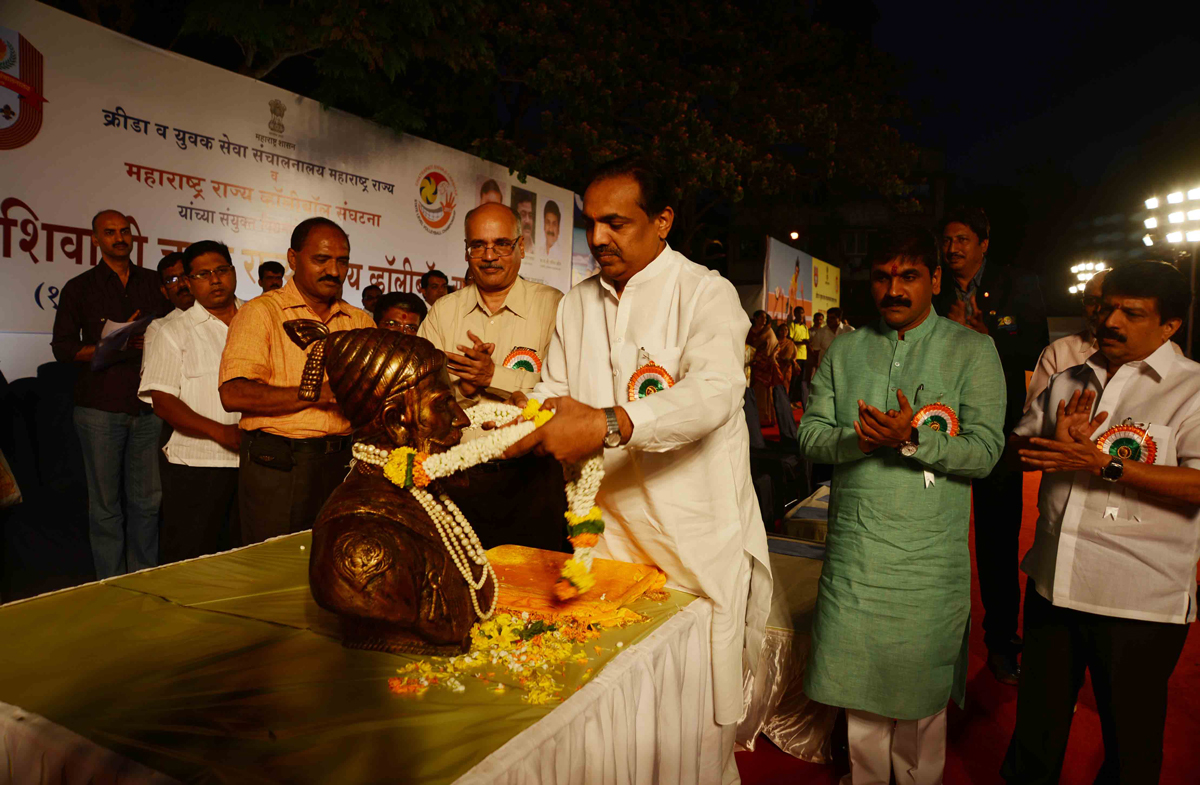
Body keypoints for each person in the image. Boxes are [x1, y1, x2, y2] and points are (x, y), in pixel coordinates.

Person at [503, 157, 771, 783]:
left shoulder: (706, 293)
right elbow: (556, 394)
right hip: (608, 542)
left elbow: (713, 394)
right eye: (592, 224)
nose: (598, 239)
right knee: (618, 720)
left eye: (616, 223)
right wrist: (518, 428)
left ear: (663, 221)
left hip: (696, 547)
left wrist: (607, 422)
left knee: (696, 737)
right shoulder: (576, 304)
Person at [797, 227, 1005, 784]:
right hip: (857, 552)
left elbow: (985, 452)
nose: (894, 289)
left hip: (927, 558)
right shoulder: (845, 348)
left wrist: (910, 441)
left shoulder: (972, 350)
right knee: (857, 684)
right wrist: (859, 441)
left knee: (919, 687)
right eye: (884, 277)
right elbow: (810, 436)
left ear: (935, 280)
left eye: (909, 276)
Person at [1002, 261, 1199, 785]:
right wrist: (1053, 444)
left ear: (1170, 325)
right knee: (1035, 735)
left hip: (1136, 601)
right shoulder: (1069, 377)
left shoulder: (1192, 390)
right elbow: (1019, 452)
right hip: (1051, 585)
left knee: (1130, 747)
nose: (1110, 320)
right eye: (1107, 306)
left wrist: (1108, 465)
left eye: (1131, 313)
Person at [934, 205, 1048, 685]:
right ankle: (936, 642)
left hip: (998, 436)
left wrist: (984, 338)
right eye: (948, 239)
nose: (953, 248)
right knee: (937, 541)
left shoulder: (1019, 285)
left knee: (998, 547)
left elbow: (1037, 348)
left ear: (983, 244)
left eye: (963, 239)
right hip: (938, 434)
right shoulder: (934, 288)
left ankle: (1002, 643)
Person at [218, 218, 375, 544]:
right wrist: (319, 395)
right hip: (278, 465)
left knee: (331, 566)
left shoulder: (359, 321)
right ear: (293, 258)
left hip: (342, 464)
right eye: (321, 259)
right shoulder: (261, 313)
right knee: (273, 573)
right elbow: (233, 394)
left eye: (342, 261)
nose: (334, 270)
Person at [51, 209, 171, 578]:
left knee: (147, 503)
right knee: (105, 506)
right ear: (96, 240)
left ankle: (144, 579)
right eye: (110, 232)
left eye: (124, 231)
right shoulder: (79, 287)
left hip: (150, 406)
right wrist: (109, 345)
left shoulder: (155, 283)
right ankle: (111, 586)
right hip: (99, 409)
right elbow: (64, 349)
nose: (119, 238)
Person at [139, 241, 243, 563]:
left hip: (257, 467)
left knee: (246, 562)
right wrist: (222, 433)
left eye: (221, 270)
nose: (215, 280)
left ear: (233, 272)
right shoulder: (171, 331)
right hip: (196, 466)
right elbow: (164, 402)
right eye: (202, 274)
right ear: (188, 281)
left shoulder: (259, 319)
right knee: (192, 564)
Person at [418, 202, 562, 407]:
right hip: (459, 439)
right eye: (478, 246)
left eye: (501, 244)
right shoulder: (443, 312)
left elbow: (565, 391)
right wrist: (463, 389)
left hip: (528, 437)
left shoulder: (553, 306)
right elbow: (420, 395)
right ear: (467, 251)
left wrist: (493, 376)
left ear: (521, 247)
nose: (489, 256)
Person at [143, 252, 194, 353]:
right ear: (164, 291)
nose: (182, 284)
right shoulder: (157, 329)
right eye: (172, 280)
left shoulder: (218, 316)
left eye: (185, 276)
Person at [747, 311, 779, 426]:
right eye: (761, 317)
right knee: (754, 391)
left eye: (765, 317)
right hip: (752, 365)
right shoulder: (749, 331)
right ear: (755, 318)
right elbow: (745, 346)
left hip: (766, 365)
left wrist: (773, 356)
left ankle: (766, 418)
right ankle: (754, 417)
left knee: (766, 391)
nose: (764, 319)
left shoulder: (768, 331)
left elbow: (776, 346)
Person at [787, 306, 810, 407]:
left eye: (802, 313)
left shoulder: (805, 327)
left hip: (804, 356)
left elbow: (807, 340)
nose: (801, 315)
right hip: (795, 356)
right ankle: (789, 401)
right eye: (799, 313)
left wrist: (807, 343)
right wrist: (801, 342)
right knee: (793, 380)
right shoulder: (792, 325)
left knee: (801, 381)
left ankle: (796, 400)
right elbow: (790, 341)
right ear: (795, 314)